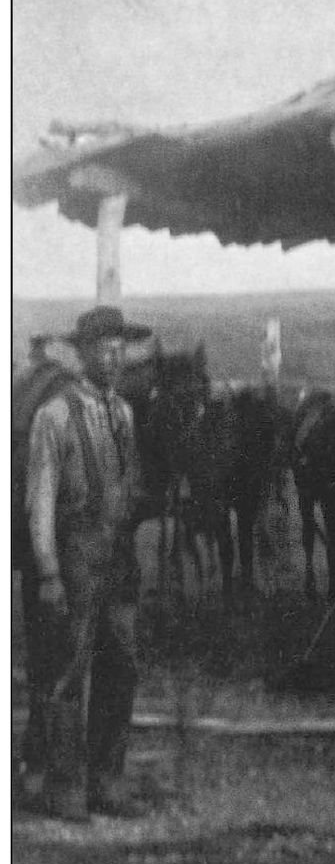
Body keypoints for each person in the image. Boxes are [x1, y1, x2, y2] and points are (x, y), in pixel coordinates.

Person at [24, 306, 150, 820]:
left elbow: (128, 488)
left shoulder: (124, 414)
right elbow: (41, 500)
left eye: (121, 345)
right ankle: (64, 786)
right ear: (82, 355)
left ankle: (107, 779)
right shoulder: (52, 417)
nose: (114, 355)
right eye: (103, 346)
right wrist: (49, 571)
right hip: (74, 559)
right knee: (68, 672)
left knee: (121, 667)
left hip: (117, 559)